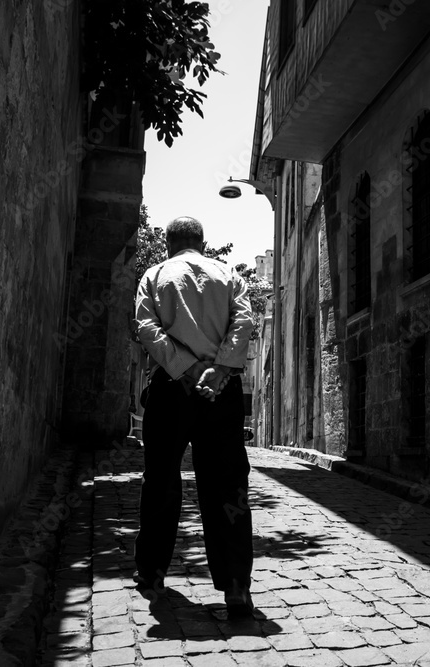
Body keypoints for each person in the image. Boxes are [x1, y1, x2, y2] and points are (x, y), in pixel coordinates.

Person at [133, 216, 254, 616]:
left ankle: (152, 572)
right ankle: (235, 586)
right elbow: (244, 321)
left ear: (168, 243)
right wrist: (217, 370)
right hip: (221, 389)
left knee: (161, 479)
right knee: (228, 484)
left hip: (172, 388)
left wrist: (184, 368)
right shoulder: (228, 274)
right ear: (202, 242)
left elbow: (146, 327)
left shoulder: (154, 275)